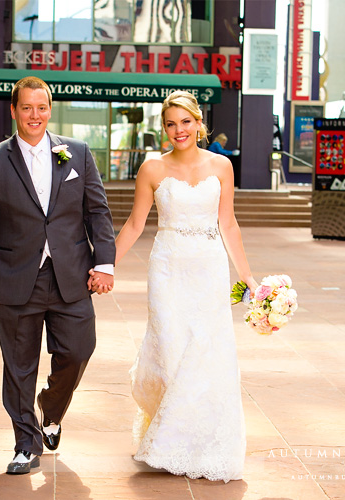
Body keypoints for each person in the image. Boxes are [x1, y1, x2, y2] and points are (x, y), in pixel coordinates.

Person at [0, 76, 116, 475]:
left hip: (71, 275)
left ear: (51, 109)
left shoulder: (76, 154)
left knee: (79, 350)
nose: (35, 115)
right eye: (27, 108)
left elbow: (97, 211)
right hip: (17, 278)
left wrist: (105, 262)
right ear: (14, 110)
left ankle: (51, 408)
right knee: (19, 365)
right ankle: (25, 444)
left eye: (42, 107)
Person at [109, 90, 258, 481]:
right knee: (173, 351)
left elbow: (228, 224)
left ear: (198, 123)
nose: (179, 130)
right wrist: (104, 265)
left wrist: (248, 277)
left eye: (186, 122)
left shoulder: (222, 166)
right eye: (171, 124)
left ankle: (202, 443)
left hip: (208, 271)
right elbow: (134, 225)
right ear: (164, 128)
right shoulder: (152, 169)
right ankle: (171, 440)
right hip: (167, 269)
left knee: (207, 354)